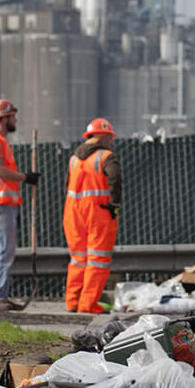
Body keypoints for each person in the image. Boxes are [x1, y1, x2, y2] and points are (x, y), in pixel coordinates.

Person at [0, 99, 39, 312]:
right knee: (3, 250)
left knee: (1, 249)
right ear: (4, 118)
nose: (15, 120)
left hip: (2, 204)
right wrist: (25, 177)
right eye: (13, 116)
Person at [62, 117, 122, 313]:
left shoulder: (74, 158)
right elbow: (115, 178)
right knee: (98, 259)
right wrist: (115, 204)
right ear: (101, 137)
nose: (111, 142)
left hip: (72, 212)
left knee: (78, 258)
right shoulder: (106, 157)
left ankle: (72, 301)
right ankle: (87, 305)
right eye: (109, 138)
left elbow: (67, 185)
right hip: (98, 212)